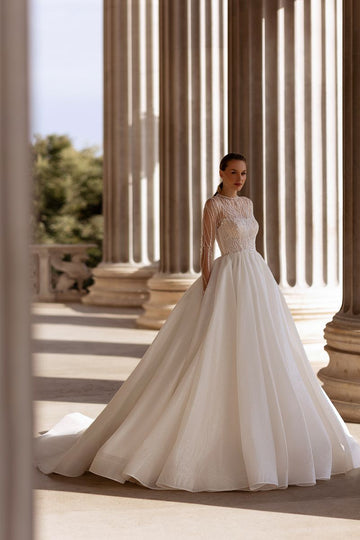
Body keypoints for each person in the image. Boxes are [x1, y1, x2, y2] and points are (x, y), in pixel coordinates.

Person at [34, 153, 360, 492]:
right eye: (233, 172)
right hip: (228, 276)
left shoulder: (247, 204)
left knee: (265, 349)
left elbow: (251, 241)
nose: (239, 178)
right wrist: (208, 288)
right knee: (217, 350)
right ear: (221, 172)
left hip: (256, 277)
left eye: (244, 173)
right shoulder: (213, 205)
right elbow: (206, 249)